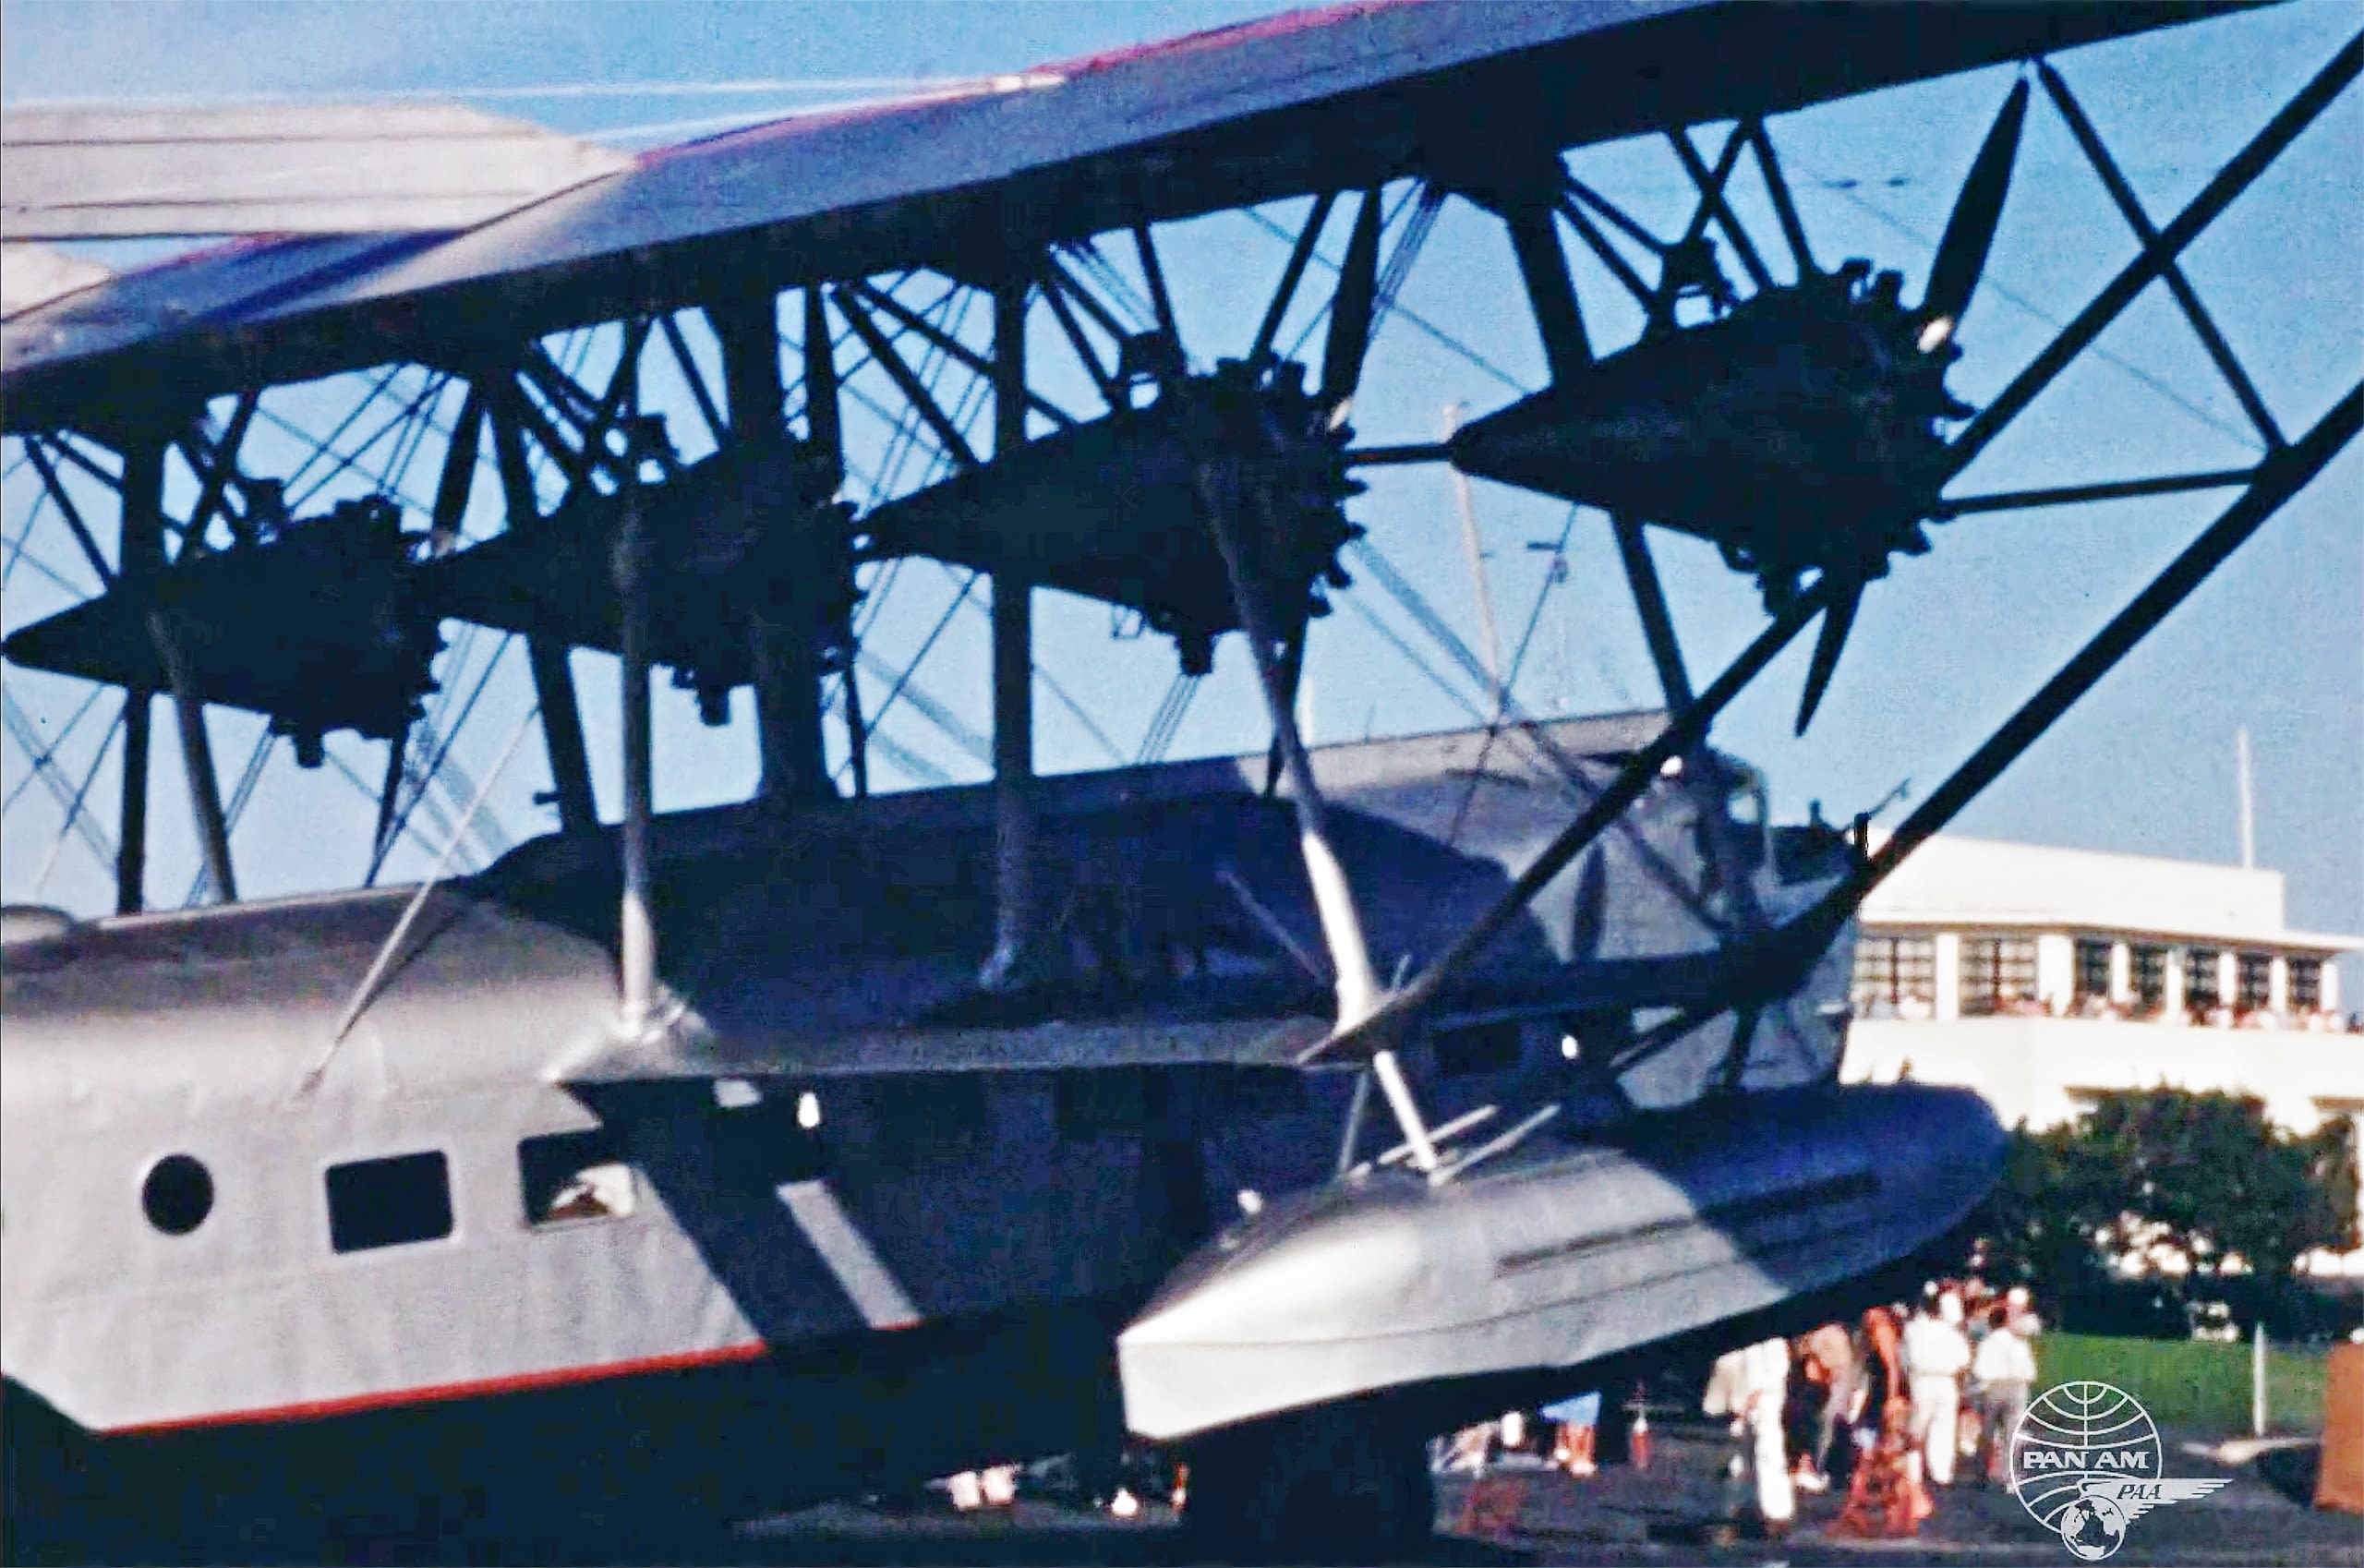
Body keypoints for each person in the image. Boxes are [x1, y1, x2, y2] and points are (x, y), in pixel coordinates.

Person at [1903, 1293, 1972, 1488]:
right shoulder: (1951, 1332)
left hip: (1922, 1380)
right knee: (1944, 1427)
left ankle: (1913, 1472)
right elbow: (1964, 1360)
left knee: (1918, 1426)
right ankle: (1941, 1473)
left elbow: (1906, 1359)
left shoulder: (1912, 1329)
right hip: (1946, 1381)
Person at [1739, 1336, 1797, 1539]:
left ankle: (1778, 1509)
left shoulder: (1774, 1341)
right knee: (1755, 1455)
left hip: (1768, 1400)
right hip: (1755, 1401)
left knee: (1770, 1454)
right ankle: (1760, 1505)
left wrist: (1760, 1392)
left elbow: (1778, 1370)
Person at [1974, 1309, 2039, 1490]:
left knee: (1987, 1433)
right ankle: (2008, 1477)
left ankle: (1982, 1475)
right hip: (2017, 1387)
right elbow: (2029, 1370)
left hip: (1994, 1387)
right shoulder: (2019, 1343)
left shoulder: (1988, 1342)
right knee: (2011, 1434)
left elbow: (1980, 1369)